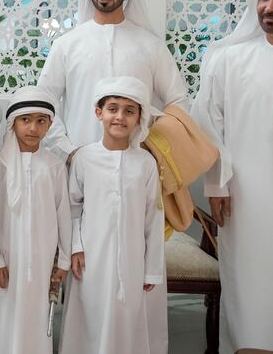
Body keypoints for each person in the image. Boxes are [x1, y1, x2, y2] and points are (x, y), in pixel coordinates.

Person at [39, 0, 187, 353]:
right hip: (79, 171)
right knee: (85, 268)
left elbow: (177, 101)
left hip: (135, 172)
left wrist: (149, 145)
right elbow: (44, 103)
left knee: (137, 273)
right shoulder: (68, 44)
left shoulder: (149, 45)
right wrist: (70, 151)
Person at [192, 0, 273, 353]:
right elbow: (207, 126)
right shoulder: (228, 61)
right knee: (251, 288)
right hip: (245, 198)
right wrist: (217, 183)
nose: (269, 6)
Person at [59, 76, 164, 354]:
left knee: (125, 315)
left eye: (129, 111)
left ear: (139, 118)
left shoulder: (146, 164)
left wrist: (151, 269)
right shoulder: (84, 158)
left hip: (131, 259)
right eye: (113, 109)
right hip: (91, 257)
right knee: (89, 314)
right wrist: (76, 248)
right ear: (99, 113)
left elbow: (153, 218)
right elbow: (72, 207)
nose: (120, 117)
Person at [0, 87, 71, 354]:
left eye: (40, 120)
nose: (33, 128)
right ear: (13, 123)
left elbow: (64, 215)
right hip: (7, 259)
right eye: (26, 119)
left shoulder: (54, 165)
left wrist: (64, 260)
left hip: (42, 260)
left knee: (37, 317)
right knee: (5, 316)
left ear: (49, 125)